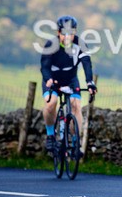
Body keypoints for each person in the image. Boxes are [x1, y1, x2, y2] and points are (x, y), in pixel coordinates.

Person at [40, 15, 97, 154]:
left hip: (70, 80)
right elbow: (45, 67)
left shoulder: (80, 45)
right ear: (58, 33)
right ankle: (50, 136)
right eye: (64, 34)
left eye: (71, 33)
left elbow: (87, 64)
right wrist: (48, 79)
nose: (67, 37)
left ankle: (76, 143)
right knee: (51, 103)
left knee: (76, 105)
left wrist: (90, 82)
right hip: (52, 80)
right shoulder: (51, 45)